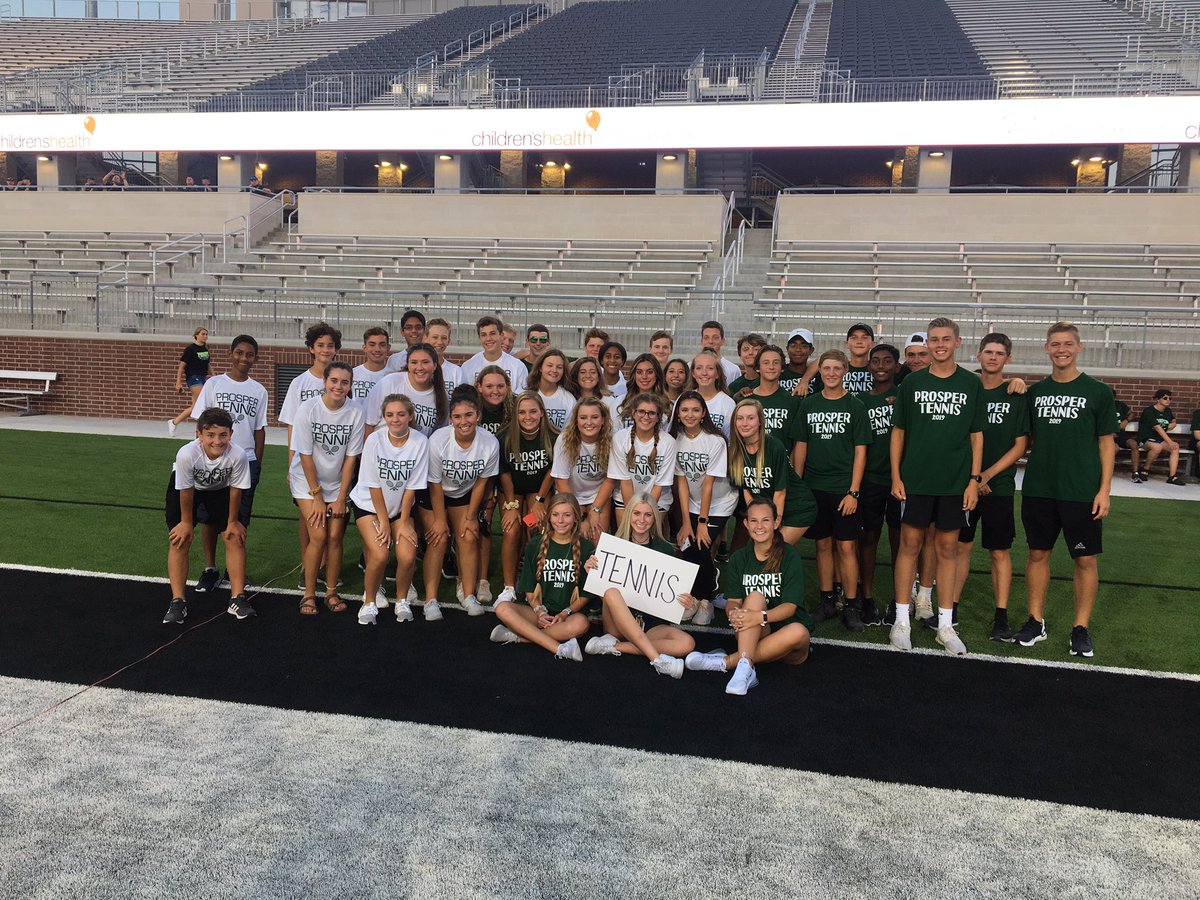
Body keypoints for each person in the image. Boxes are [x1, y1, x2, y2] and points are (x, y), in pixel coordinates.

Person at [1012, 321, 1117, 658]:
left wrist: (1104, 490)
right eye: (1055, 344)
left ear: (1079, 347)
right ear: (1046, 348)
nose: (1061, 350)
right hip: (1040, 488)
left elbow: (1106, 445)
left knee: (1085, 559)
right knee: (1037, 554)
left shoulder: (1098, 391)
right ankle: (1035, 620)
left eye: (1067, 344)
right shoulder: (1036, 392)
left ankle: (1080, 628)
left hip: (1081, 491)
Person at [889, 317, 985, 656]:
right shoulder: (912, 383)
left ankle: (945, 625)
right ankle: (901, 621)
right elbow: (898, 431)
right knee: (909, 545)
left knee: (948, 549)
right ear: (927, 344)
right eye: (934, 339)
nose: (939, 344)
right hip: (915, 480)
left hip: (955, 484)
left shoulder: (971, 383)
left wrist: (974, 480)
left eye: (946, 338)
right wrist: (896, 476)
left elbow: (976, 435)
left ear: (958, 342)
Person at [684, 497, 812, 696]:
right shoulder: (738, 558)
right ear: (745, 524)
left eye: (766, 520)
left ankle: (728, 662)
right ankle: (745, 669)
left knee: (799, 631)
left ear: (776, 522)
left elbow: (790, 607)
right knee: (754, 598)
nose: (759, 526)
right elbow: (733, 601)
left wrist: (758, 617)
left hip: (788, 644)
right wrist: (734, 612)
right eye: (753, 521)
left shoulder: (790, 555)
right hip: (755, 632)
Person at [949, 334, 1030, 643]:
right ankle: (950, 609)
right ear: (978, 355)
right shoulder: (966, 389)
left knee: (999, 551)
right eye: (988, 352)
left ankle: (1001, 616)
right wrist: (972, 478)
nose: (993, 357)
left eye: (999, 353)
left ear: (1007, 359)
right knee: (960, 548)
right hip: (965, 485)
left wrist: (985, 476)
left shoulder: (1016, 394)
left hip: (1000, 486)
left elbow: (1020, 446)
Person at [792, 349, 872, 632]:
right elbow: (801, 446)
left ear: (845, 372)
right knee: (822, 545)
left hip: (843, 489)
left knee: (847, 546)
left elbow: (861, 452)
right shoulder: (810, 404)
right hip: (815, 487)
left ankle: (851, 605)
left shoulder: (855, 405)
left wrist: (853, 491)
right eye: (826, 368)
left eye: (837, 369)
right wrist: (798, 485)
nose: (831, 373)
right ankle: (828, 601)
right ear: (820, 371)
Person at [187, 334, 268, 592]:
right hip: (213, 461)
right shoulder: (214, 385)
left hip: (244, 463)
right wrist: (202, 457)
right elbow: (200, 423)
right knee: (209, 518)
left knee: (239, 521)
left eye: (250, 354)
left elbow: (259, 430)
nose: (244, 358)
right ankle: (210, 569)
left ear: (255, 358)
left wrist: (256, 463)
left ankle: (236, 572)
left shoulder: (259, 390)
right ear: (231, 354)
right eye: (240, 353)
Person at [584, 495, 698, 678]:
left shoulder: (665, 549)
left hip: (651, 624)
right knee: (612, 593)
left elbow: (673, 595)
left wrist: (687, 602)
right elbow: (601, 596)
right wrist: (593, 573)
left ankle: (613, 647)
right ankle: (657, 660)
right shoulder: (612, 545)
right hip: (616, 625)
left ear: (655, 519)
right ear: (628, 515)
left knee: (687, 643)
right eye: (637, 513)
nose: (642, 520)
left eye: (648, 515)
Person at [161, 409, 253, 625]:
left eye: (223, 435)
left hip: (221, 489)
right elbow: (186, 491)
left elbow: (236, 490)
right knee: (180, 539)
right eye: (210, 435)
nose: (217, 441)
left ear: (231, 433)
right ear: (199, 435)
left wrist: (232, 522)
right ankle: (178, 602)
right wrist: (185, 523)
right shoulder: (187, 454)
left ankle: (237, 598)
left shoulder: (238, 455)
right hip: (187, 490)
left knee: (234, 536)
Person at [289, 362, 365, 617]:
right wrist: (317, 496)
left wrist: (342, 497)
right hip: (307, 481)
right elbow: (306, 456)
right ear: (325, 382)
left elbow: (351, 459)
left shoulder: (356, 411)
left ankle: (331, 591)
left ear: (350, 385)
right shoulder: (308, 409)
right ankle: (309, 593)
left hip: (338, 482)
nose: (339, 386)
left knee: (335, 537)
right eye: (334, 381)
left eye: (345, 382)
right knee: (319, 536)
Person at [419, 385, 501, 620]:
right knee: (439, 538)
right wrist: (440, 520)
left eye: (468, 415)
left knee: (468, 535)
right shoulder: (438, 440)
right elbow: (434, 484)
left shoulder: (489, 442)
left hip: (465, 492)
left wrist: (470, 517)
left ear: (478, 416)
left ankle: (468, 595)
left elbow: (481, 483)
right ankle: (430, 600)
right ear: (451, 419)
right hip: (434, 492)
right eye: (457, 416)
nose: (463, 421)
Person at [351, 395, 428, 626]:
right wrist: (384, 521)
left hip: (400, 508)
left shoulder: (420, 442)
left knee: (407, 554)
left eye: (401, 414)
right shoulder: (374, 440)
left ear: (410, 416)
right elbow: (373, 485)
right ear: (384, 417)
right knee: (381, 553)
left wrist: (403, 521)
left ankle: (402, 600)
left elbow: (412, 486)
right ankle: (369, 602)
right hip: (369, 505)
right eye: (390, 415)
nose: (395, 419)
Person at [489, 493, 593, 661]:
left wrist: (565, 613)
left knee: (581, 624)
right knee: (502, 608)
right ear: (549, 517)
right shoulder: (535, 544)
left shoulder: (587, 548)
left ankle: (520, 636)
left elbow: (586, 594)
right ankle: (559, 648)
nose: (560, 520)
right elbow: (529, 587)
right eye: (555, 514)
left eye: (567, 515)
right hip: (538, 613)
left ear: (575, 518)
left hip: (567, 617)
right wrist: (539, 611)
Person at [670, 390, 737, 626]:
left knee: (701, 543)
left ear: (703, 414)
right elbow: (681, 482)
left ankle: (705, 599)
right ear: (677, 413)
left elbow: (708, 484)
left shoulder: (715, 440)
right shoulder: (674, 439)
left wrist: (701, 522)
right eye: (685, 409)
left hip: (719, 502)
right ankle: (696, 599)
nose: (690, 414)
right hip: (693, 501)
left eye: (695, 410)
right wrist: (687, 522)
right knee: (687, 545)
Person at [497, 392, 559, 607]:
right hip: (512, 491)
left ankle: (533, 579)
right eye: (522, 412)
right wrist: (512, 505)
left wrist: (540, 500)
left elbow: (552, 471)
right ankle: (508, 587)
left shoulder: (553, 436)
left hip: (537, 490)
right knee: (512, 528)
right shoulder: (504, 437)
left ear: (542, 412)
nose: (528, 417)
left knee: (534, 525)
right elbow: (504, 474)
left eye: (533, 411)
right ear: (515, 414)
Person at [728, 398, 815, 547]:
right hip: (768, 509)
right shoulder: (735, 452)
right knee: (762, 553)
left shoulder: (774, 447)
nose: (744, 423)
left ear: (760, 421)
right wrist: (757, 519)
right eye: (740, 418)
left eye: (750, 418)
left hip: (797, 507)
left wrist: (774, 522)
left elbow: (780, 492)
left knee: (772, 550)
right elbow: (747, 491)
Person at [857, 344, 901, 626]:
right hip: (870, 479)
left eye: (887, 361)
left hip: (900, 481)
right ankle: (867, 597)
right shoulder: (860, 401)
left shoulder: (904, 395)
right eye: (876, 361)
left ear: (898, 366)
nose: (881, 365)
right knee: (868, 539)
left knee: (900, 542)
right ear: (869, 366)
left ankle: (900, 601)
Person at [551, 397, 615, 542]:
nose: (589, 423)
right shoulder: (564, 440)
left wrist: (595, 509)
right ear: (576, 420)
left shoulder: (611, 441)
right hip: (570, 495)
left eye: (594, 417)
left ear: (603, 420)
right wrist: (579, 515)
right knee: (574, 538)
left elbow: (610, 479)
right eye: (583, 417)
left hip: (598, 496)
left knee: (596, 539)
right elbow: (561, 481)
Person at [608, 392, 677, 515]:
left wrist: (645, 514)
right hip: (625, 499)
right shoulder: (620, 438)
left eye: (651, 413)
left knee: (649, 532)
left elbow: (659, 485)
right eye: (641, 412)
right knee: (626, 533)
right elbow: (626, 481)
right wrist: (633, 513)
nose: (646, 417)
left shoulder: (668, 442)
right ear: (633, 413)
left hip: (658, 500)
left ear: (658, 417)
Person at [363, 342, 447, 437]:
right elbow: (369, 423)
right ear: (408, 365)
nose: (419, 368)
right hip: (382, 449)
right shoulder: (390, 382)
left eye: (425, 362)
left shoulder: (440, 395)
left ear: (435, 365)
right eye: (414, 362)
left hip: (416, 450)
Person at [459, 315, 527, 390]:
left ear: (501, 336)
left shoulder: (518, 367)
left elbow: (521, 398)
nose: (488, 338)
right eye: (483, 335)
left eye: (492, 333)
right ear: (479, 338)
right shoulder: (468, 367)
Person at [748, 344, 800, 442]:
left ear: (782, 368)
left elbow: (798, 441)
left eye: (776, 363)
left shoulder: (792, 401)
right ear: (758, 367)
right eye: (766, 363)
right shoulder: (746, 400)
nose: (771, 367)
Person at [167, 327, 210, 436]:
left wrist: (214, 376)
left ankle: (174, 422)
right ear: (196, 335)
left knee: (195, 407)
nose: (205, 336)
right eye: (203, 334)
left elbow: (208, 364)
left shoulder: (205, 348)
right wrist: (178, 382)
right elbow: (181, 366)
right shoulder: (190, 349)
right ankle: (200, 431)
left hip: (202, 377)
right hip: (193, 378)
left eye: (206, 334)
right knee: (202, 404)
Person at [1136, 389, 1185, 485]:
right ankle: (1145, 469)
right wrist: (1169, 441)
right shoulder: (1149, 411)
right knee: (1157, 447)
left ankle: (1172, 476)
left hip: (1160, 439)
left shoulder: (1168, 411)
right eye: (1165, 398)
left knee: (1175, 447)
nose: (1168, 400)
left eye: (1170, 398)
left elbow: (1173, 421)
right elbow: (1158, 428)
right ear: (1158, 399)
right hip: (1146, 439)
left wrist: (1172, 425)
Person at [526, 347, 575, 429]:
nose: (554, 370)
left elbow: (569, 433)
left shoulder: (569, 400)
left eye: (559, 367)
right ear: (540, 368)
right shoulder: (526, 394)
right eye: (549, 365)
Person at [616, 353, 667, 429]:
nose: (644, 377)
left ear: (657, 374)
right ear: (634, 375)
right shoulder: (620, 402)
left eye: (650, 372)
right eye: (639, 372)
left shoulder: (667, 404)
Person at [690, 351, 735, 436]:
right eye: (699, 368)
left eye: (710, 368)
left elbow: (731, 440)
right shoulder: (684, 399)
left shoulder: (728, 403)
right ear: (693, 373)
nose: (704, 373)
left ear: (717, 373)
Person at [351, 327, 392, 414]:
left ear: (388, 348)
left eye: (382, 345)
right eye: (372, 344)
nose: (377, 349)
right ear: (364, 347)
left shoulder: (394, 377)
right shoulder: (352, 374)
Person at [571, 356, 621, 422]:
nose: (588, 376)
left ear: (599, 376)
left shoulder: (609, 401)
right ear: (576, 376)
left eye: (592, 372)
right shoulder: (569, 399)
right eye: (582, 372)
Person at [425, 317, 462, 396]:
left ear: (448, 341)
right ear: (426, 339)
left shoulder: (457, 372)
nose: (439, 342)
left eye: (444, 338)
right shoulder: (418, 369)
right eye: (435, 337)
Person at [700, 320, 742, 387]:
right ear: (701, 341)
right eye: (706, 338)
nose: (710, 341)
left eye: (715, 338)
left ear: (723, 341)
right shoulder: (690, 366)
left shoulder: (733, 370)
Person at [1113, 391, 1142, 481]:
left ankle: (1135, 473)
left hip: (1121, 434)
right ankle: (1105, 472)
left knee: (1134, 444)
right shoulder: (1100, 406)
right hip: (1107, 435)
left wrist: (1126, 420)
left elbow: (1132, 413)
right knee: (1115, 448)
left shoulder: (1120, 405)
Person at [781, 328, 816, 396]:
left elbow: (826, 359)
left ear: (811, 350)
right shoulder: (778, 373)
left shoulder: (818, 376)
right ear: (787, 349)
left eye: (804, 346)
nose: (798, 349)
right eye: (793, 345)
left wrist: (805, 380)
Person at [843, 323, 875, 393]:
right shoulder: (837, 370)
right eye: (854, 338)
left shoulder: (880, 371)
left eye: (865, 338)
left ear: (872, 344)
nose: (859, 342)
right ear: (847, 344)